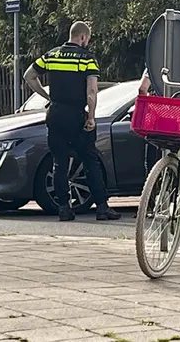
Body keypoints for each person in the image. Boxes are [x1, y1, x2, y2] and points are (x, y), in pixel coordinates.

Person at [23, 21, 121, 222]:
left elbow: (29, 76)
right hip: (76, 116)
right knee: (90, 159)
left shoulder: (52, 55)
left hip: (55, 114)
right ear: (83, 37)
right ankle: (102, 207)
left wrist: (46, 96)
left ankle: (64, 208)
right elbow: (92, 90)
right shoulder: (87, 59)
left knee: (59, 162)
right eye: (88, 38)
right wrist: (91, 117)